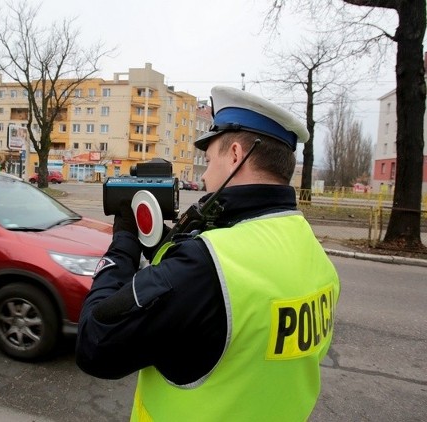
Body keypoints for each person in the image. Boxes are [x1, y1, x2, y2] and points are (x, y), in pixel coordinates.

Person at [75, 86, 341, 421]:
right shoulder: (314, 256)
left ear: (234, 154)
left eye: (209, 159)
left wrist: (123, 244)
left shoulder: (206, 265)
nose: (202, 175)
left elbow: (94, 344)